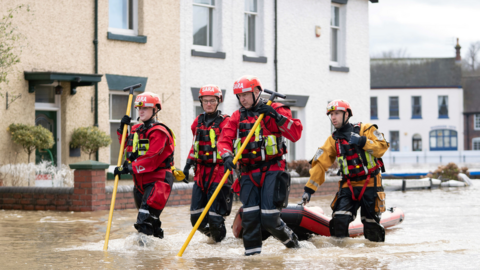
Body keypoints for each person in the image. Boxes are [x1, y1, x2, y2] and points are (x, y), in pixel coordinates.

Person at [218, 75, 303, 256]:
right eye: (239, 96)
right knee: (249, 219)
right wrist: (226, 156)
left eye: (246, 95)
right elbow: (224, 139)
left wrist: (277, 116)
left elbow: (295, 134)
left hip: (272, 170)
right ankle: (252, 261)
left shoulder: (275, 110)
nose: (242, 99)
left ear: (257, 92)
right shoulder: (237, 116)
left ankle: (293, 244)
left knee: (270, 219)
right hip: (248, 174)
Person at [302, 99, 389, 242]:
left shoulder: (365, 129)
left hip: (371, 184)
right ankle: (343, 260)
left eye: (336, 113)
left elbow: (382, 147)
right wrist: (309, 190)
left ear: (347, 114)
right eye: (331, 114)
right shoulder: (333, 140)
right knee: (338, 222)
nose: (333, 118)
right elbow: (320, 165)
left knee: (372, 225)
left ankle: (373, 259)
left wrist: (362, 142)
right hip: (348, 186)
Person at [114, 92, 176, 239]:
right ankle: (157, 254)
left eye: (145, 108)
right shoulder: (136, 130)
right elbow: (126, 148)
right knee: (150, 223)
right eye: (139, 108)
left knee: (144, 222)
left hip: (158, 182)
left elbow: (151, 158)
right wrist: (122, 130)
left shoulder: (160, 132)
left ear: (155, 110)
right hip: (140, 182)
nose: (141, 111)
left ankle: (144, 258)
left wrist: (129, 168)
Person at [183, 85, 233, 243]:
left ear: (219, 101)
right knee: (195, 218)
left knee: (215, 217)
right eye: (205, 101)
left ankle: (220, 244)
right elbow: (195, 145)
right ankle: (215, 239)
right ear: (201, 102)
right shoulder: (197, 122)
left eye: (212, 100)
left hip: (219, 172)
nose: (209, 104)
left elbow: (230, 144)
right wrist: (187, 164)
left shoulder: (226, 122)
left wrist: (228, 159)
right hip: (200, 173)